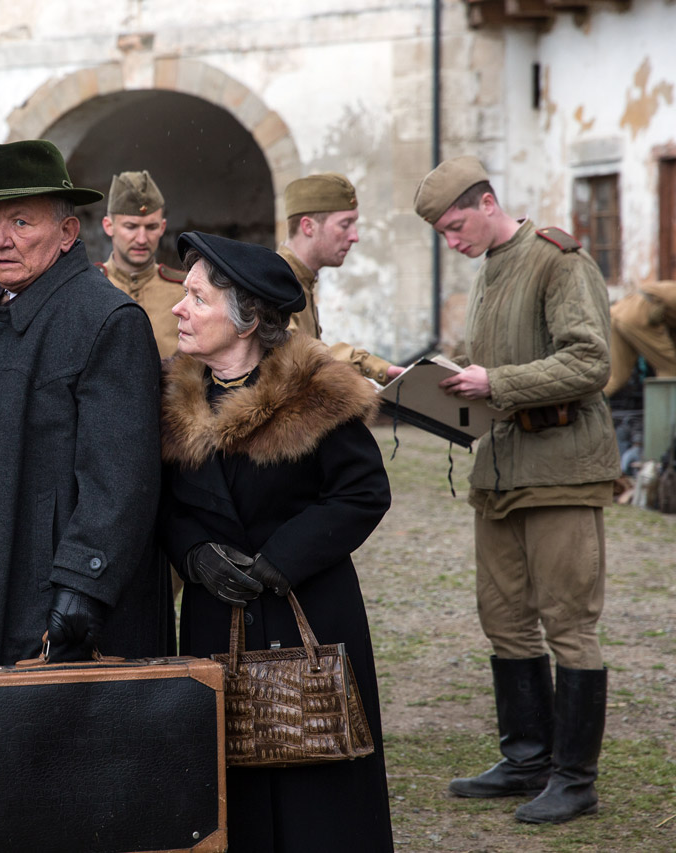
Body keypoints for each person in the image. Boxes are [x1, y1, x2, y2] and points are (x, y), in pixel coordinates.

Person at [158, 231, 393, 852]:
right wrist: (195, 555)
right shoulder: (173, 400)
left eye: (197, 298)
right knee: (233, 790)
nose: (179, 308)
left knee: (323, 797)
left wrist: (278, 562)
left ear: (247, 319)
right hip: (217, 616)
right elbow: (164, 505)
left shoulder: (314, 391)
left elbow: (363, 492)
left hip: (310, 611)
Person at [414, 156, 618, 824]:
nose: (453, 242)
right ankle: (528, 758)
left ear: (488, 201)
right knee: (502, 617)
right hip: (500, 472)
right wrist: (435, 381)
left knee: (568, 619)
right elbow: (494, 367)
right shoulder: (491, 272)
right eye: (443, 234)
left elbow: (591, 359)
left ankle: (574, 777)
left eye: (454, 226)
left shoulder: (558, 259)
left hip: (561, 469)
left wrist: (493, 383)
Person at [0, 139, 168, 666]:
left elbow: (120, 478)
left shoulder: (107, 318)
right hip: (5, 573)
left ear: (68, 233)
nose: (0, 240)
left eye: (22, 223)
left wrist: (81, 586)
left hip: (66, 598)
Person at [278, 172, 401, 383]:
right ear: (308, 227)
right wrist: (366, 364)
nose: (355, 236)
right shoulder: (277, 282)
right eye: (345, 224)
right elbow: (297, 351)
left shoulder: (300, 280)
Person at [96, 170, 186, 358]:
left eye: (151, 227)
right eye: (131, 226)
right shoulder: (89, 287)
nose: (142, 239)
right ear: (108, 226)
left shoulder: (184, 291)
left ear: (162, 227)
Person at [603, 280, 676, 398]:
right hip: (639, 315)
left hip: (619, 311)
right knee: (671, 369)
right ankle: (663, 414)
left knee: (616, 379)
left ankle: (584, 406)